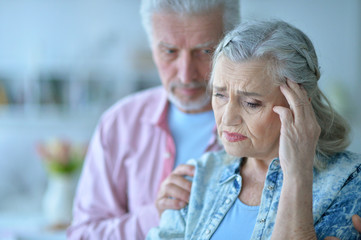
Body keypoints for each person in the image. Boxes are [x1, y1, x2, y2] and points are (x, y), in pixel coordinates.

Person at [147, 20, 361, 239]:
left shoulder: (351, 182)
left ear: (298, 103)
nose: (227, 118)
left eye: (251, 103)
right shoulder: (197, 177)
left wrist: (297, 175)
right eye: (220, 95)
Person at [66, 0, 240, 239]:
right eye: (170, 51)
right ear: (152, 47)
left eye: (205, 51)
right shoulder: (119, 124)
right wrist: (156, 215)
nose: (186, 74)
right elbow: (83, 234)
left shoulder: (262, 125)